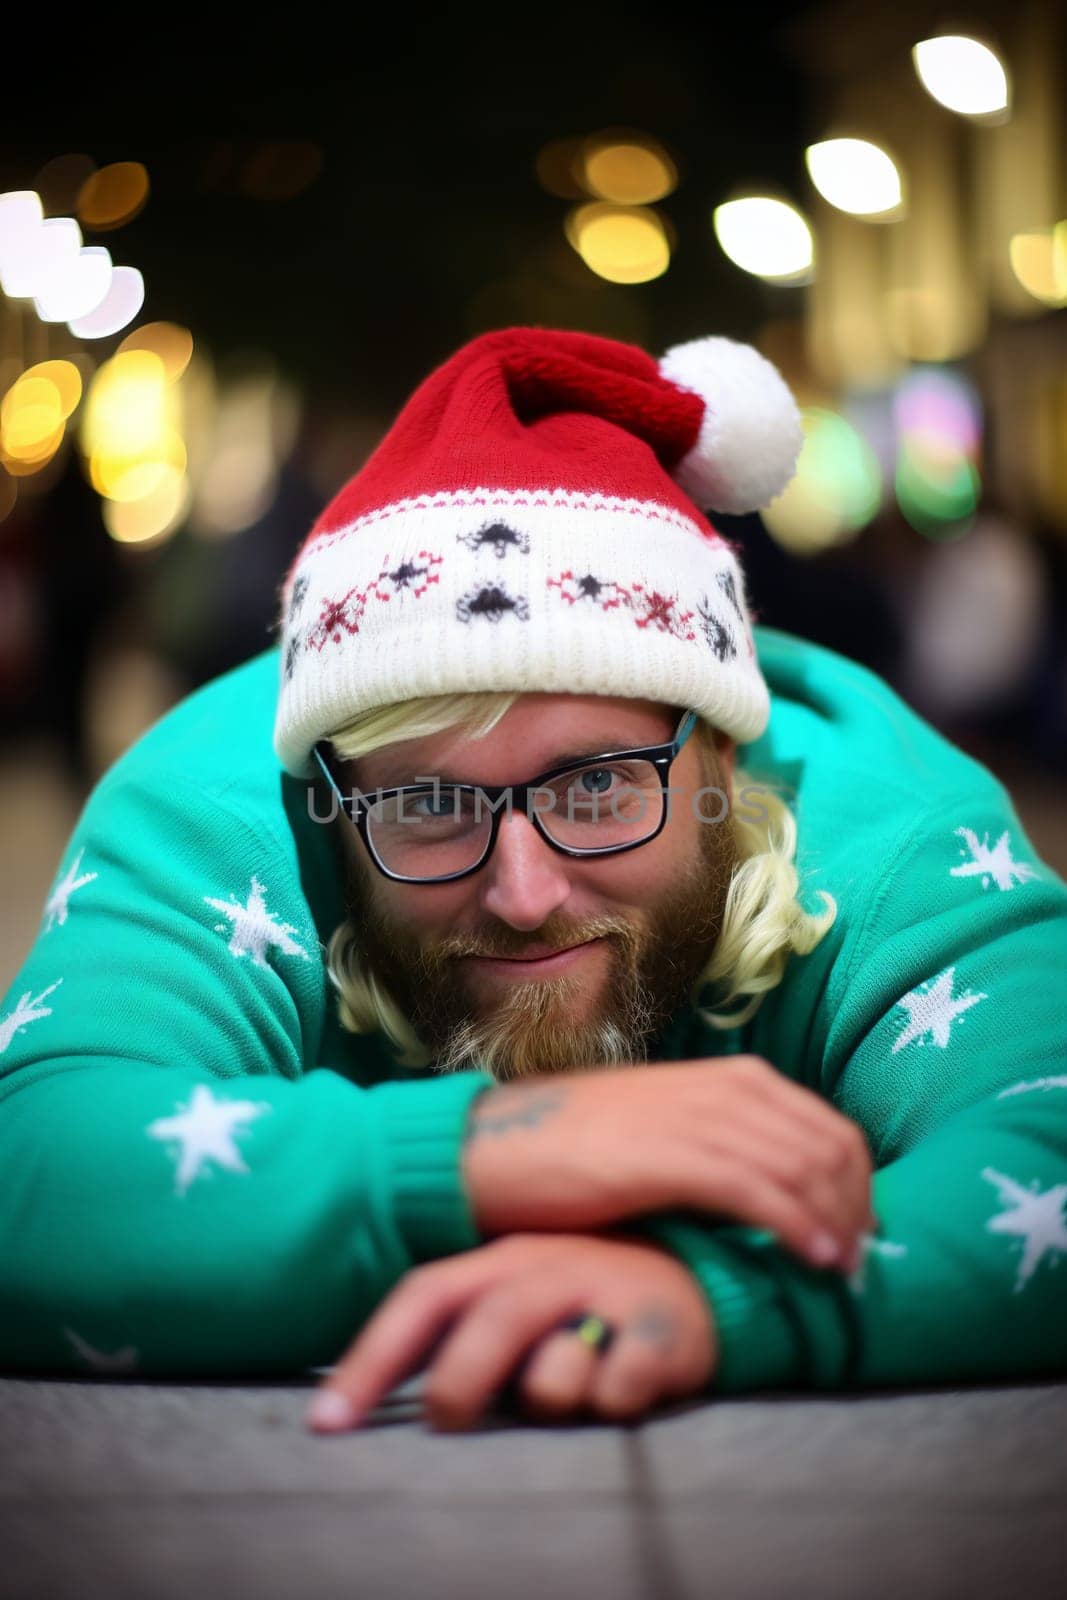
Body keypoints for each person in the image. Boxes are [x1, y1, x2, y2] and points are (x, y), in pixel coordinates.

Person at [1, 328, 1064, 1435]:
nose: (522, 891)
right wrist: (488, 1157)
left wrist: (726, 1292)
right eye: (425, 803)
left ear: (720, 758)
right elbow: (31, 1163)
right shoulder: (223, 806)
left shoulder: (878, 816)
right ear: (334, 787)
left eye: (596, 787)